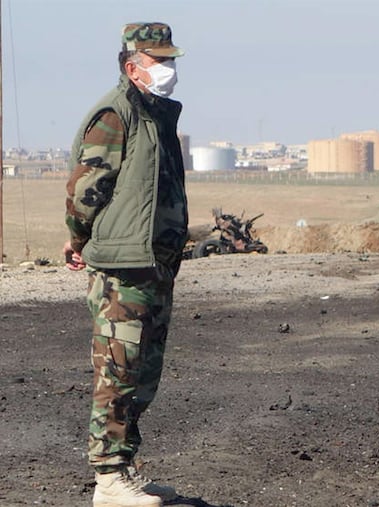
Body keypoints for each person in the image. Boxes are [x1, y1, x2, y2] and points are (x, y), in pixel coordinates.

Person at [63, 22, 188, 507]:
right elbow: (86, 188)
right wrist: (77, 238)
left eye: (172, 60)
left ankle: (124, 469)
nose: (170, 70)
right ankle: (108, 478)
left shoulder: (156, 115)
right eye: (160, 62)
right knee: (116, 372)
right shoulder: (115, 115)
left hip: (152, 264)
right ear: (133, 66)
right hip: (121, 267)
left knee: (143, 373)